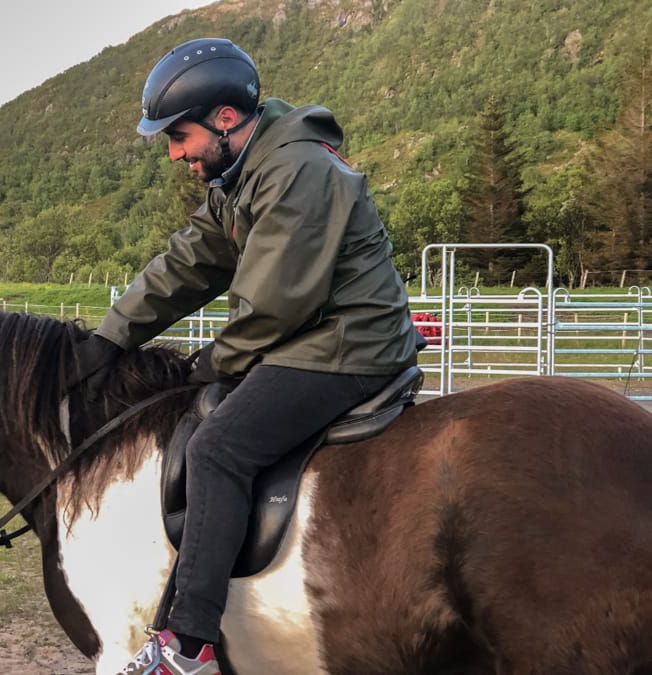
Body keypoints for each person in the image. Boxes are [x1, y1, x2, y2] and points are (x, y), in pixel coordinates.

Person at [75, 37, 421, 674]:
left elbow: (272, 305)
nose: (176, 154)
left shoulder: (297, 170)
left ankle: (189, 644)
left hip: (347, 345)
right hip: (312, 337)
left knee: (219, 447)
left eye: (179, 137)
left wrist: (202, 365)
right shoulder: (241, 174)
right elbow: (190, 261)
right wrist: (111, 336)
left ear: (225, 119)